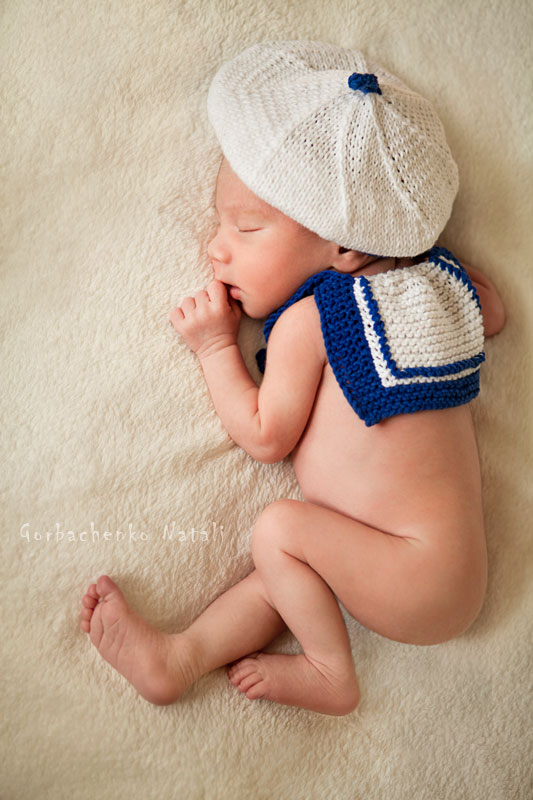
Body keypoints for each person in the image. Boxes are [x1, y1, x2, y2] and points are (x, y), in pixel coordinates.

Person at [80, 41, 505, 715]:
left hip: (414, 573)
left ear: (346, 247)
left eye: (247, 228)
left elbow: (265, 436)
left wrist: (215, 346)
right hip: (428, 569)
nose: (215, 247)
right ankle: (179, 659)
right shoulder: (437, 286)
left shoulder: (316, 321)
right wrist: (435, 266)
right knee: (288, 565)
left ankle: (331, 673)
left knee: (280, 530)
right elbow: (493, 312)